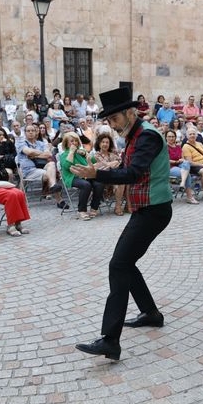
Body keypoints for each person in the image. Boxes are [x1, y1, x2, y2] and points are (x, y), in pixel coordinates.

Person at [73, 86, 174, 361]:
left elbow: (133, 174)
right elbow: (129, 169)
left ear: (130, 112)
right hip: (146, 209)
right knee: (125, 264)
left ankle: (110, 340)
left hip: (154, 210)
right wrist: (102, 170)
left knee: (119, 265)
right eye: (108, 121)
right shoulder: (133, 136)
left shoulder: (147, 137)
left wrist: (99, 174)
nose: (112, 126)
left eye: (115, 119)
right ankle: (151, 314)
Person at [59, 132, 105, 220]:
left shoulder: (80, 152)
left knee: (99, 183)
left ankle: (94, 207)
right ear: (66, 143)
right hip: (72, 177)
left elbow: (93, 161)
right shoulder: (64, 155)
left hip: (86, 175)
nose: (74, 143)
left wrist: (88, 154)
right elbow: (67, 166)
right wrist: (71, 152)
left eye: (76, 141)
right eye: (72, 141)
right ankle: (81, 210)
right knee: (86, 185)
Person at [92, 133, 125, 215]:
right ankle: (119, 206)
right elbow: (104, 165)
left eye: (107, 142)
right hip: (102, 178)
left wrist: (114, 163)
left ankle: (118, 206)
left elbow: (120, 162)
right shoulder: (96, 155)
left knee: (123, 181)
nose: (105, 144)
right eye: (103, 142)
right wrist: (114, 162)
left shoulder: (113, 153)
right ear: (99, 143)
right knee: (120, 180)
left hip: (114, 177)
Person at [166, 129, 198, 204]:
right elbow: (165, 160)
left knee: (186, 162)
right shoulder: (164, 147)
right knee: (188, 175)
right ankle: (189, 197)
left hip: (180, 166)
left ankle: (183, 183)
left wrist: (181, 160)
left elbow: (183, 158)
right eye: (169, 136)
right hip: (170, 167)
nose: (171, 138)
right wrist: (175, 161)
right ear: (166, 137)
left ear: (175, 137)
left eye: (173, 136)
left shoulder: (178, 147)